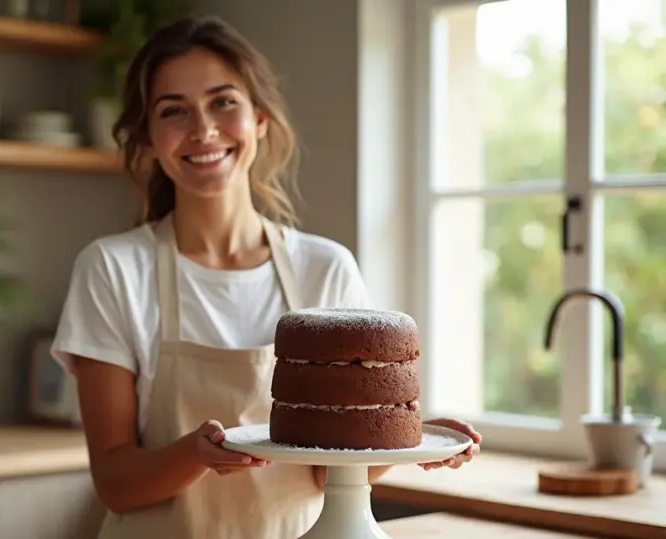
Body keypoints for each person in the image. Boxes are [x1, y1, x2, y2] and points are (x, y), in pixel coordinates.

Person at [50, 14, 482, 539]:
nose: (203, 129)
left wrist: (412, 444)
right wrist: (195, 453)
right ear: (148, 137)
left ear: (259, 117)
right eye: (173, 111)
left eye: (223, 102)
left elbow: (332, 471)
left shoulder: (325, 268)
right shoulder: (113, 270)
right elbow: (116, 482)